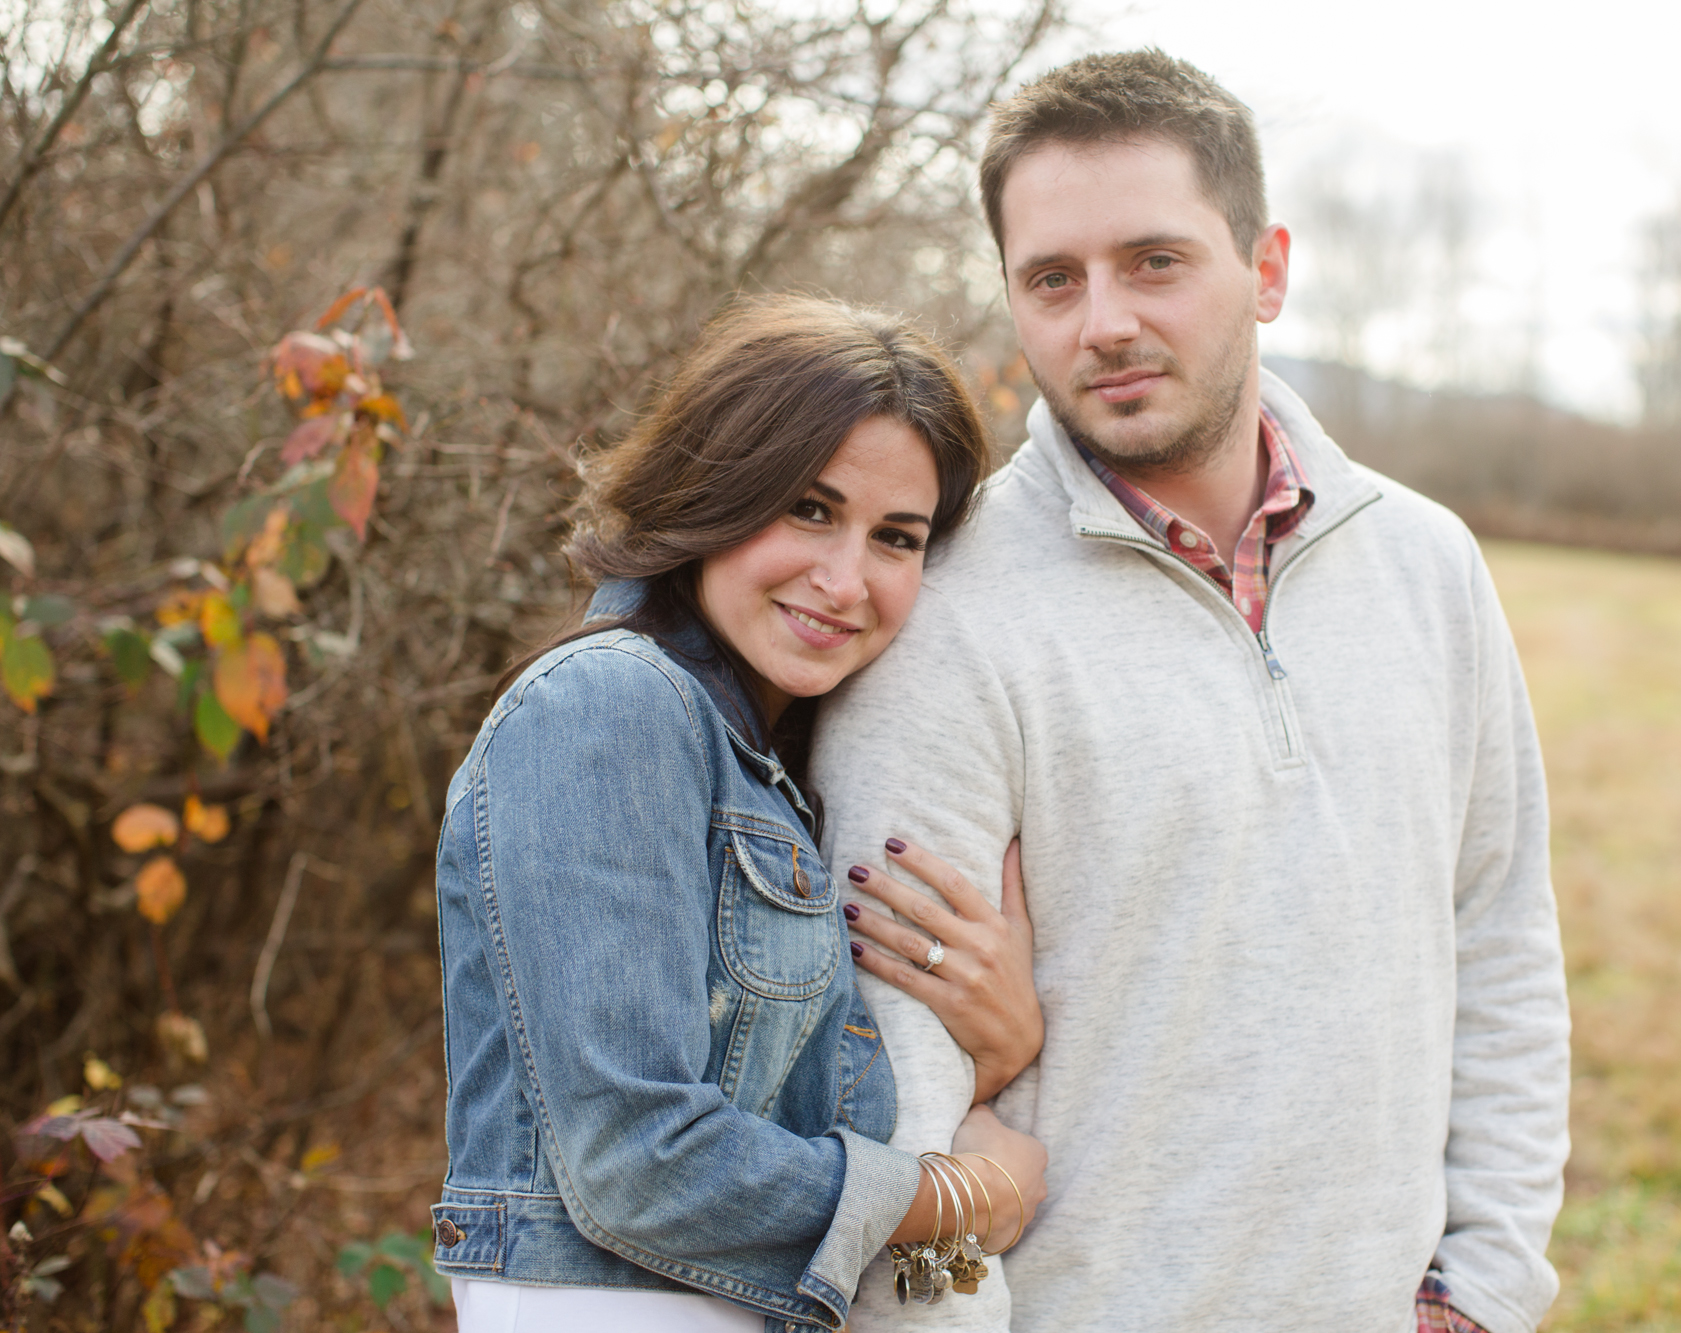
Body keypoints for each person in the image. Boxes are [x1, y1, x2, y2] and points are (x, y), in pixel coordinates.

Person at [815, 51, 1571, 1333]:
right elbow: (896, 1093)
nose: (1100, 319)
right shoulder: (944, 620)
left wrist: (1482, 1289)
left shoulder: (1429, 566)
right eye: (1052, 278)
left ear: (1265, 270)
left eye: (1152, 261)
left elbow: (1497, 937)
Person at [429, 295, 1050, 1333]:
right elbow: (638, 1159)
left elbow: (788, 1103)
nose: (843, 579)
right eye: (809, 508)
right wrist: (962, 1198)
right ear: (713, 489)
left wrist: (994, 1042)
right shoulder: (609, 708)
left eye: (894, 537)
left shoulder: (754, 758)